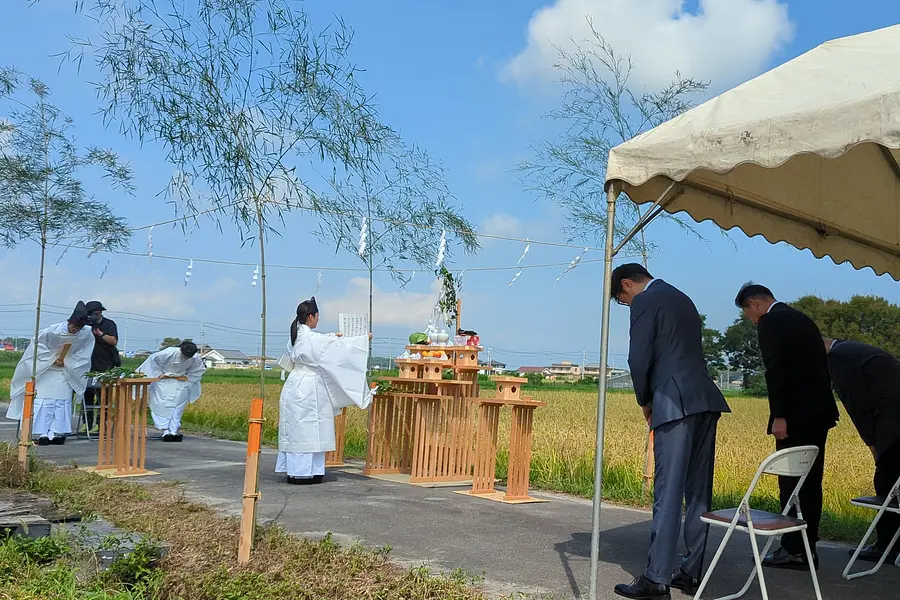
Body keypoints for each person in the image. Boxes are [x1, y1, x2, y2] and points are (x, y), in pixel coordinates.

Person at [611, 264, 731, 600]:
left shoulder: (645, 301)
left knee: (667, 493)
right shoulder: (683, 298)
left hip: (673, 401)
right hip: (705, 399)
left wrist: (645, 400)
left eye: (623, 299)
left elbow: (639, 359)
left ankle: (656, 578)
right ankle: (691, 572)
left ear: (627, 284)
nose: (627, 304)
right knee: (698, 494)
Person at [735, 283, 839, 570]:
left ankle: (794, 549)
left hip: (795, 415)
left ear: (754, 304)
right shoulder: (801, 319)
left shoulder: (771, 322)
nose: (751, 319)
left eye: (748, 313)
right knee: (810, 482)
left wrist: (779, 415)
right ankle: (808, 546)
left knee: (791, 481)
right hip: (819, 412)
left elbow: (776, 369)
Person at [277, 297, 373, 485]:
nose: (318, 320)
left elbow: (326, 342)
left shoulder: (297, 336)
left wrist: (333, 337)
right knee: (311, 429)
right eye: (317, 317)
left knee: (298, 429)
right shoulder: (311, 338)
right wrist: (362, 340)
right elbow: (336, 349)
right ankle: (309, 471)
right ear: (311, 317)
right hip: (309, 387)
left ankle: (296, 470)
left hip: (295, 384)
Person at [823, 336, 900, 563]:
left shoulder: (838, 358)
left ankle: (886, 547)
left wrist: (871, 443)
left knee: (887, 484)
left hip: (892, 422)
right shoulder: (854, 349)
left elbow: (856, 403)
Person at [6, 301, 95, 445]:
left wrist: (68, 361)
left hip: (66, 370)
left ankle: (57, 433)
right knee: (44, 402)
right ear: (69, 322)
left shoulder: (85, 335)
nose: (75, 331)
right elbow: (36, 346)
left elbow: (84, 354)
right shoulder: (52, 331)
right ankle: (42, 433)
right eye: (73, 327)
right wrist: (51, 359)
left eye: (78, 328)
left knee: (61, 402)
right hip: (46, 370)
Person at [138, 341, 206, 442]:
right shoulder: (168, 352)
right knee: (162, 406)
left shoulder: (195, 358)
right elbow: (152, 361)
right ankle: (166, 431)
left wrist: (187, 378)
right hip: (163, 382)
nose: (186, 358)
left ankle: (174, 431)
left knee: (177, 409)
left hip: (181, 383)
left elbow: (197, 370)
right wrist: (158, 374)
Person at [82, 300, 120, 432]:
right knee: (87, 396)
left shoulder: (108, 324)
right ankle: (87, 423)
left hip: (105, 365)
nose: (95, 316)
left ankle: (100, 424)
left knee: (103, 397)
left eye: (97, 313)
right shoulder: (85, 324)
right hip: (87, 365)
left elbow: (113, 341)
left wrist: (100, 333)